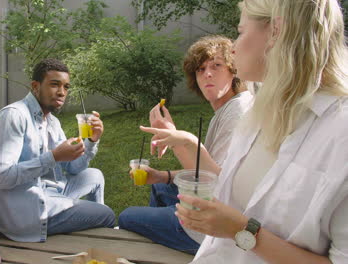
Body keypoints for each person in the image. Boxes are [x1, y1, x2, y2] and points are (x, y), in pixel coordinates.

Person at [144, 0, 348, 263]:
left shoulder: (339, 134)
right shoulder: (260, 109)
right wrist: (184, 141)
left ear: (277, 31)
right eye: (201, 69)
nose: (234, 46)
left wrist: (242, 231)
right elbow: (225, 186)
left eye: (240, 32)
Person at [118, 35, 253, 254]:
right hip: (212, 204)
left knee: (126, 217)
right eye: (200, 69)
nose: (207, 73)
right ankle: (166, 238)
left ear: (233, 71)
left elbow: (215, 184)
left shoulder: (237, 112)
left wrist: (177, 140)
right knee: (161, 186)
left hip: (213, 229)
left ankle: (176, 237)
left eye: (216, 66)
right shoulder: (230, 108)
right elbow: (207, 169)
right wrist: (163, 175)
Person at [0, 58, 115, 242]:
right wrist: (53, 157)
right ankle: (99, 232)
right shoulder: (14, 116)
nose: (62, 92)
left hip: (52, 193)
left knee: (94, 175)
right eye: (55, 85)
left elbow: (73, 168)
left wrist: (92, 140)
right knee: (106, 214)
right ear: (35, 86)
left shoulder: (52, 122)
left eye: (66, 87)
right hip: (27, 212)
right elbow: (0, 178)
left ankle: (89, 224)